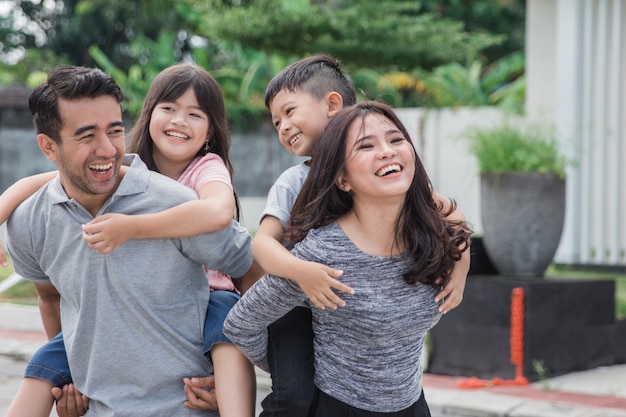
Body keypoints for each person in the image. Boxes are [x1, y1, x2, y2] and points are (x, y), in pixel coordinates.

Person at [4, 64, 258, 416]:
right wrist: (70, 377)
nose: (107, 149)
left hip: (182, 406)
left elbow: (250, 266)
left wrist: (234, 377)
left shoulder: (179, 202)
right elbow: (49, 297)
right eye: (87, 135)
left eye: (114, 131)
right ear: (49, 146)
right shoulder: (30, 221)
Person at [248, 54, 470, 416]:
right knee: (293, 394)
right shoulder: (293, 181)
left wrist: (460, 270)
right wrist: (301, 272)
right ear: (342, 181)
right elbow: (262, 243)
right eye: (276, 122)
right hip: (298, 297)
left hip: (344, 305)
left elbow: (452, 217)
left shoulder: (389, 175)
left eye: (289, 112)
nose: (282, 127)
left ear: (333, 104)